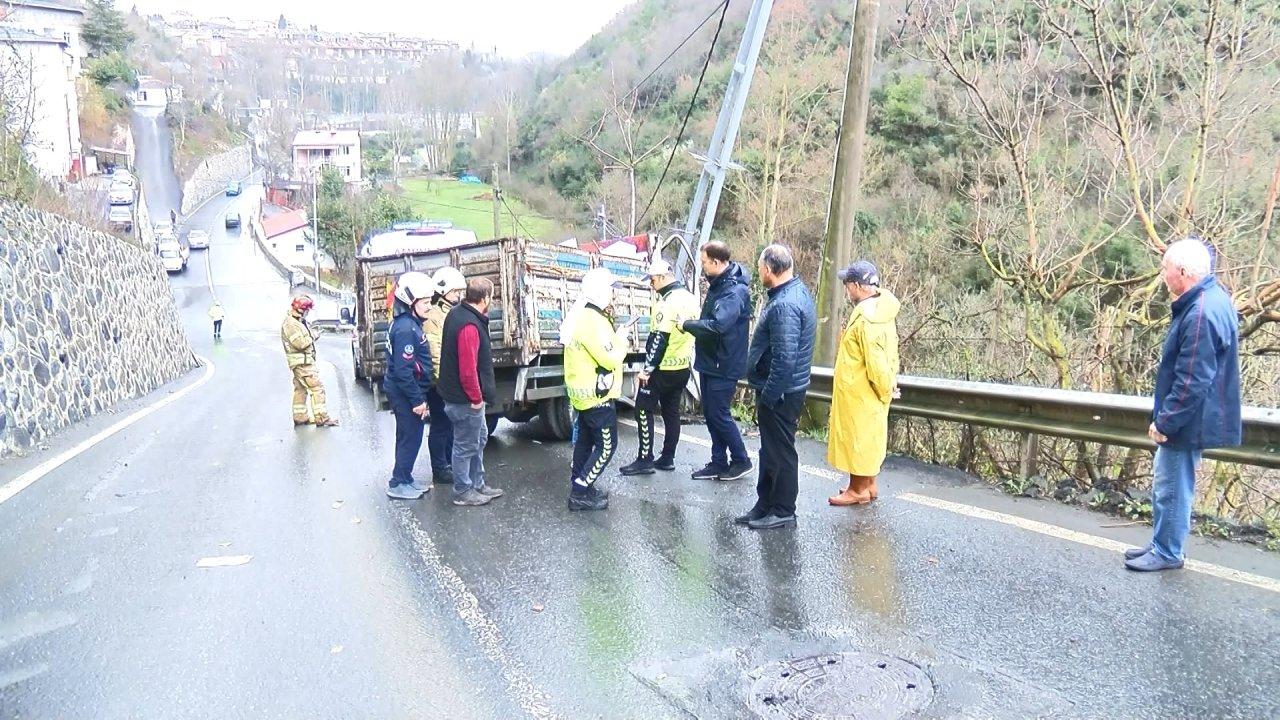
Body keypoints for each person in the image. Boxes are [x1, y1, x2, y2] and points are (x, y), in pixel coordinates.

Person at [1125, 238, 1241, 572]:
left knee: (1172, 486)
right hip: (1198, 414)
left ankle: (1167, 552)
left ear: (1184, 272)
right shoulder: (1212, 299)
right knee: (1170, 483)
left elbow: (1192, 379)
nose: (1162, 276)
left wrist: (1165, 421)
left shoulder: (1201, 312)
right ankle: (1162, 543)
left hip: (1190, 418)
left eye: (1166, 269)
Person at [738, 244, 815, 530]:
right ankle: (765, 504)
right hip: (781, 389)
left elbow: (784, 359)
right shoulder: (791, 292)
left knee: (781, 452)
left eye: (760, 268)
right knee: (769, 451)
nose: (759, 273)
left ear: (769, 270)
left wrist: (769, 395)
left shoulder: (784, 305)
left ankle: (783, 509)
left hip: (781, 392)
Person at [827, 261, 900, 507]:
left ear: (857, 286)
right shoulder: (880, 311)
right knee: (869, 437)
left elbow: (876, 361)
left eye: (848, 285)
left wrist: (884, 388)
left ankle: (857, 489)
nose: (846, 290)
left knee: (859, 438)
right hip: (869, 390)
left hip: (862, 390)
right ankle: (868, 484)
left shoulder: (868, 318)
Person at [620, 258, 699, 476]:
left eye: (653, 280)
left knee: (642, 410)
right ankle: (667, 458)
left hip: (662, 368)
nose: (651, 284)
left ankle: (645, 459)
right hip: (682, 367)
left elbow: (659, 339)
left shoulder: (666, 303)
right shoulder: (691, 299)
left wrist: (647, 369)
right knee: (671, 412)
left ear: (664, 277)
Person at [681, 241, 753, 481]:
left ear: (716, 262)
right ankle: (718, 461)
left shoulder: (734, 290)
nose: (701, 266)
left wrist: (688, 325)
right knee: (712, 414)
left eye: (703, 262)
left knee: (719, 413)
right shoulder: (719, 284)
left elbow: (719, 325)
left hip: (724, 362)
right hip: (712, 360)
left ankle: (741, 460)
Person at [563, 267, 631, 511]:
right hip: (596, 395)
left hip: (583, 393)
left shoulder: (583, 316)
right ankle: (580, 491)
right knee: (606, 446)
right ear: (600, 291)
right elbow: (609, 359)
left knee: (584, 442)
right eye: (611, 289)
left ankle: (580, 485)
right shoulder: (592, 321)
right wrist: (622, 340)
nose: (614, 294)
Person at [437, 278, 505, 507]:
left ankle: (477, 484)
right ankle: (463, 490)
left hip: (461, 396)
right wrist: (476, 399)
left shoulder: (458, 313)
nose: (492, 301)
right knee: (465, 444)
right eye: (492, 297)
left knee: (479, 438)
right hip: (465, 399)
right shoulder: (469, 325)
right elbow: (468, 370)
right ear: (485, 298)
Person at [382, 272, 436, 500]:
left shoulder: (409, 324)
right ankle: (399, 481)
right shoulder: (406, 328)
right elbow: (404, 371)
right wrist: (417, 400)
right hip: (405, 393)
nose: (429, 307)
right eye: (425, 302)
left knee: (409, 435)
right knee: (410, 437)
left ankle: (405, 478)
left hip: (407, 391)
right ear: (410, 302)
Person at [422, 267, 468, 485]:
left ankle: (448, 463)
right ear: (443, 291)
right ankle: (440, 468)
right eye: (455, 291)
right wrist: (443, 381)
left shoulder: (449, 312)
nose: (458, 295)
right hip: (439, 381)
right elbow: (435, 351)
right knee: (440, 425)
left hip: (448, 379)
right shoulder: (434, 315)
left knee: (450, 424)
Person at [281, 295, 338, 427]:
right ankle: (322, 418)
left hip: (300, 364)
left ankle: (300, 417)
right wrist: (313, 336)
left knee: (300, 389)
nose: (308, 313)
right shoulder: (291, 324)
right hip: (303, 364)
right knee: (317, 388)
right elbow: (300, 343)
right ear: (301, 310)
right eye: (307, 310)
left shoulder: (297, 321)